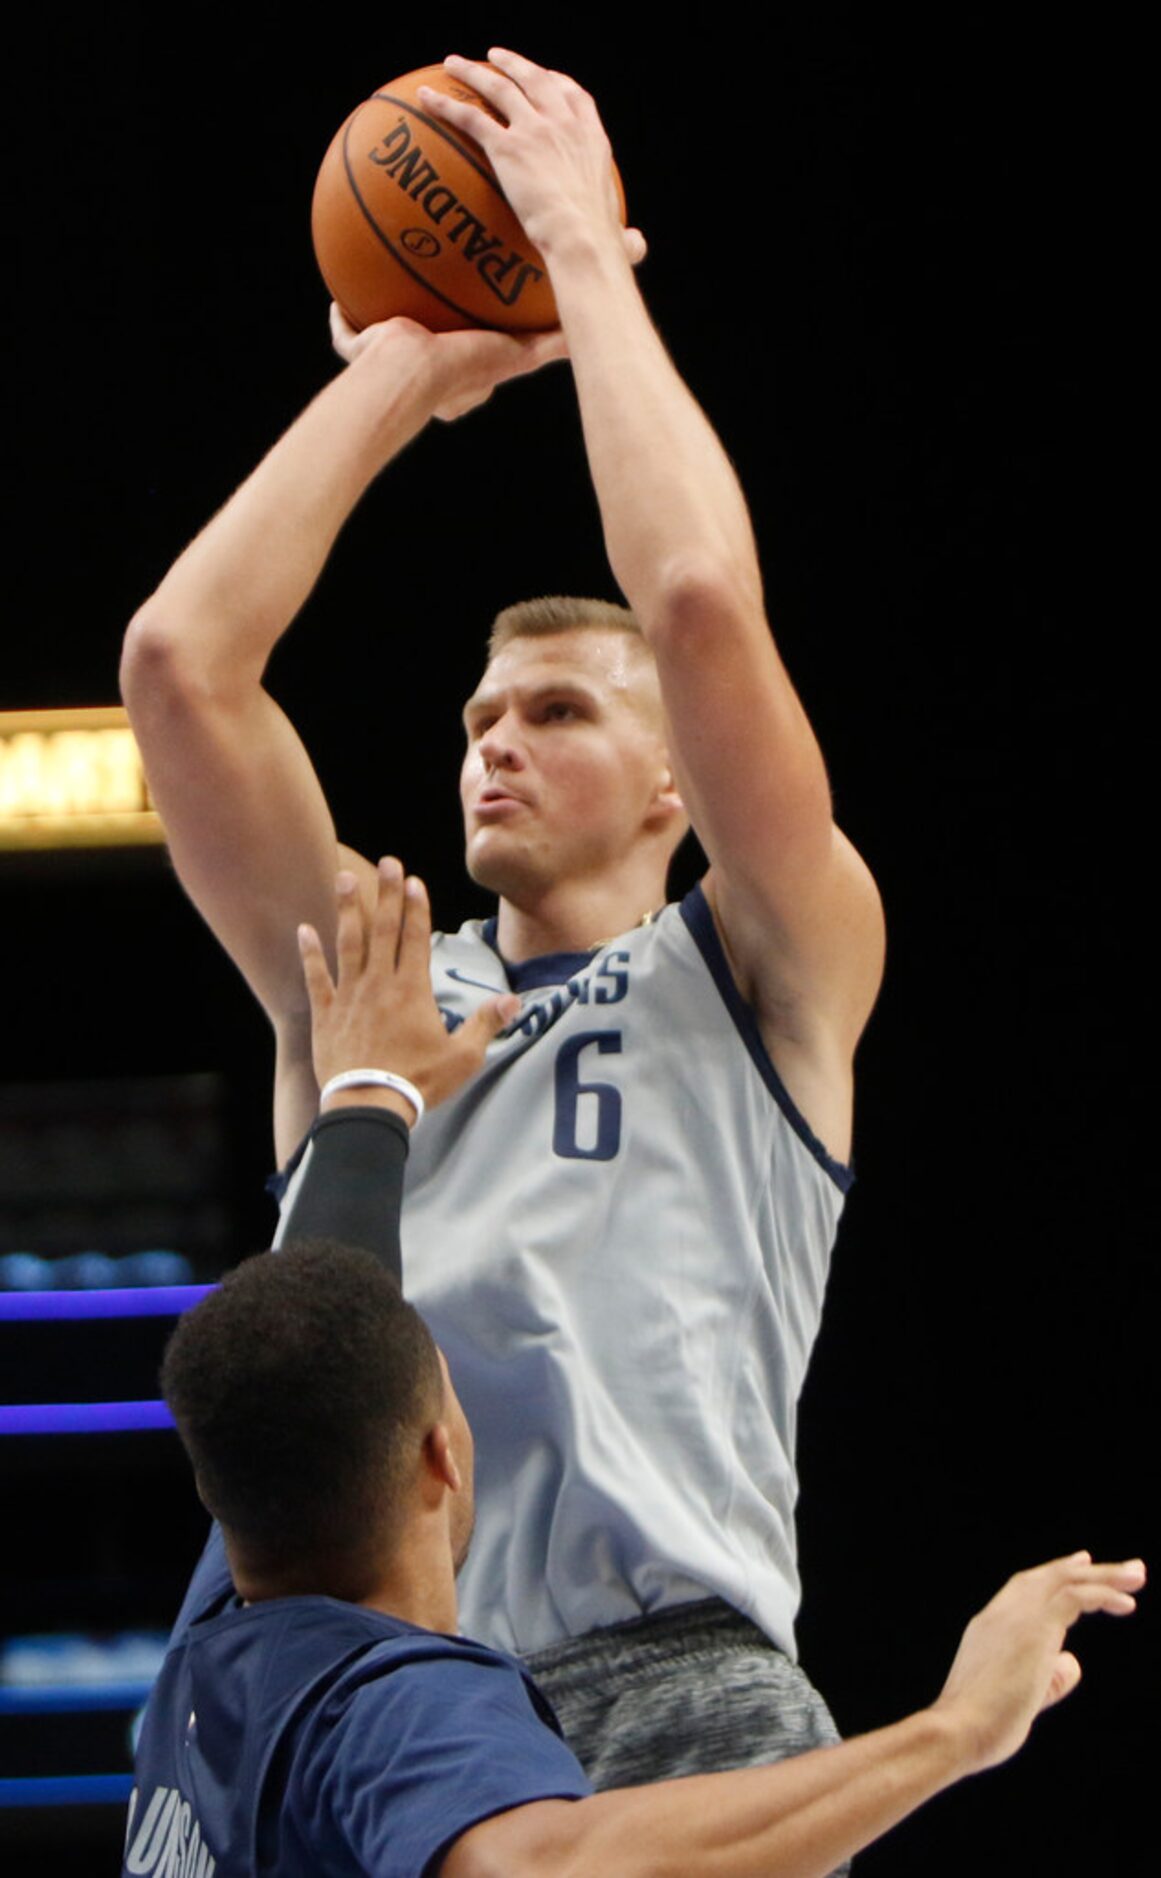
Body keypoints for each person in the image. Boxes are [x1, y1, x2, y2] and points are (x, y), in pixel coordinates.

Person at [120, 49, 887, 1789]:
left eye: (557, 712)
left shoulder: (765, 960)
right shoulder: (375, 971)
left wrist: (579, 258)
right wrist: (403, 367)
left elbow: (693, 595)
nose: (497, 743)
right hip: (382, 1687)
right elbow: (179, 665)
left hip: (679, 1676)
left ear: (674, 780)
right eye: (479, 716)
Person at [124, 864, 1144, 1878]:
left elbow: (311, 1321)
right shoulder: (390, 1699)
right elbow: (545, 1868)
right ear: (443, 1454)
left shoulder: (208, 1662)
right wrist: (956, 1729)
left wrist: (367, 1094)